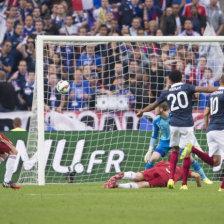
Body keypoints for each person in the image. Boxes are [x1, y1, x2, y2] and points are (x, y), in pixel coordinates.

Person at [137, 70, 218, 190]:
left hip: (173, 124)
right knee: (187, 152)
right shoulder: (187, 87)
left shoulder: (166, 92)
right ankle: (184, 184)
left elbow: (153, 105)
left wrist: (142, 111)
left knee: (175, 150)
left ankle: (170, 178)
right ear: (181, 78)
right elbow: (205, 90)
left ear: (170, 80)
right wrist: (220, 89)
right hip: (187, 124)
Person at [144, 102, 213, 184]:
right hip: (164, 142)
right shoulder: (156, 121)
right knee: (152, 159)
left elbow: (187, 130)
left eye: (156, 108)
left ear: (161, 109)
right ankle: (145, 177)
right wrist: (149, 150)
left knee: (190, 159)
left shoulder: (173, 117)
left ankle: (204, 178)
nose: (154, 110)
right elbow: (154, 136)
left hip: (177, 141)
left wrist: (196, 144)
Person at [181, 75, 224, 191]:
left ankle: (192, 149)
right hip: (221, 128)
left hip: (211, 130)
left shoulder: (213, 95)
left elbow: (205, 113)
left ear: (219, 82)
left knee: (215, 162)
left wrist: (208, 127)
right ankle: (222, 187)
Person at [103, 160, 201, 189]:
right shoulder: (183, 170)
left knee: (139, 176)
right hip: (165, 178)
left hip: (157, 169)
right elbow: (197, 175)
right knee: (145, 184)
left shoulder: (164, 162)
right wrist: (199, 186)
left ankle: (122, 175)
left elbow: (155, 167)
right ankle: (118, 185)